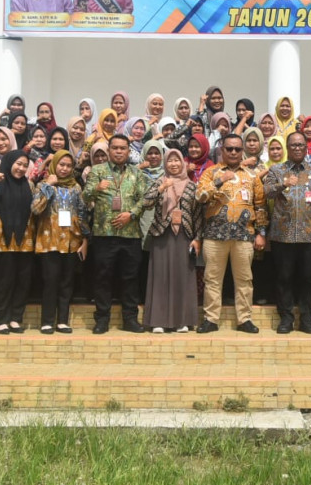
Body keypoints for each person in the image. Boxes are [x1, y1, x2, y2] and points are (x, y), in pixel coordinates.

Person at [195, 133, 268, 334]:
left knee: (244, 279)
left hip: (244, 236)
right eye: (229, 149)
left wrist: (261, 232)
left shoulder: (251, 176)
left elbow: (260, 205)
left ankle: (244, 319)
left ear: (242, 150)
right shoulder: (211, 172)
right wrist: (219, 181)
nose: (234, 152)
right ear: (222, 150)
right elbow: (200, 196)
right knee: (212, 279)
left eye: (237, 149)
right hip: (214, 236)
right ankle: (210, 319)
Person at [262, 132, 311, 334]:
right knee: (284, 278)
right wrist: (282, 184)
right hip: (282, 236)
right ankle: (286, 318)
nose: (296, 148)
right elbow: (266, 192)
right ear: (287, 147)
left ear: (306, 148)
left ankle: (307, 319)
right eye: (293, 145)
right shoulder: (277, 170)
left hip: (310, 235)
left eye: (300, 145)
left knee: (308, 279)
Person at [82, 133, 151, 333]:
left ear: (129, 151)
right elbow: (85, 196)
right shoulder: (98, 171)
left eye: (123, 148)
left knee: (130, 278)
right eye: (115, 148)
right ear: (109, 150)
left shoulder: (137, 173)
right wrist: (96, 187)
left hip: (130, 234)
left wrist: (131, 214)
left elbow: (145, 199)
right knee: (103, 277)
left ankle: (130, 319)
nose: (119, 151)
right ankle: (102, 320)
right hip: (104, 234)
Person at [0, 150, 36, 333]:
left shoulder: (30, 185)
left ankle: (16, 318)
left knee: (22, 280)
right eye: (18, 164)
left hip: (24, 240)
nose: (21, 168)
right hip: (1, 239)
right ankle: (2, 319)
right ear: (9, 162)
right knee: (5, 281)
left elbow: (35, 210)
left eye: (25, 165)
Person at [142, 148, 199, 333]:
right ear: (165, 163)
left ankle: (181, 321)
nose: (173, 164)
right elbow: (145, 202)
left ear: (182, 163)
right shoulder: (160, 181)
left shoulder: (192, 185)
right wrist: (161, 188)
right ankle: (158, 320)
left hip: (184, 235)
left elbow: (198, 215)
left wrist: (198, 238)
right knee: (160, 278)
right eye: (170, 161)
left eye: (177, 161)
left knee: (182, 277)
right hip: (162, 235)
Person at [32, 150, 89, 334]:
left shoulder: (76, 188)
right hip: (50, 241)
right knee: (50, 281)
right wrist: (48, 185)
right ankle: (47, 321)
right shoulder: (44, 184)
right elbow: (35, 208)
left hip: (72, 242)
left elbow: (82, 214)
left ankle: (62, 321)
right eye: (61, 165)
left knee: (66, 282)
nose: (64, 169)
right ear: (54, 165)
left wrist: (85, 239)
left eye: (68, 166)